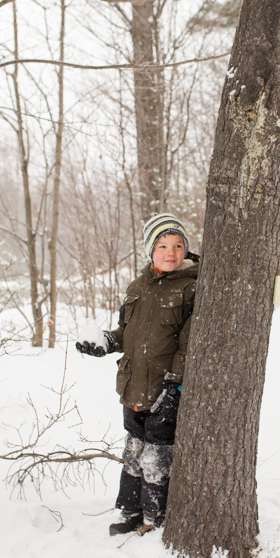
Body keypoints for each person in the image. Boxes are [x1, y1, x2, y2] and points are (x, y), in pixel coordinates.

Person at [76, 213, 199, 535]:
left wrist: (174, 389)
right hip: (132, 387)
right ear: (150, 250)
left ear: (186, 249)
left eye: (177, 245)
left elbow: (189, 346)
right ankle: (129, 511)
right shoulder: (138, 286)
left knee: (157, 456)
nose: (170, 253)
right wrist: (105, 342)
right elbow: (127, 333)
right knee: (133, 450)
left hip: (165, 390)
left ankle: (154, 519)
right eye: (162, 245)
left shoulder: (192, 288)